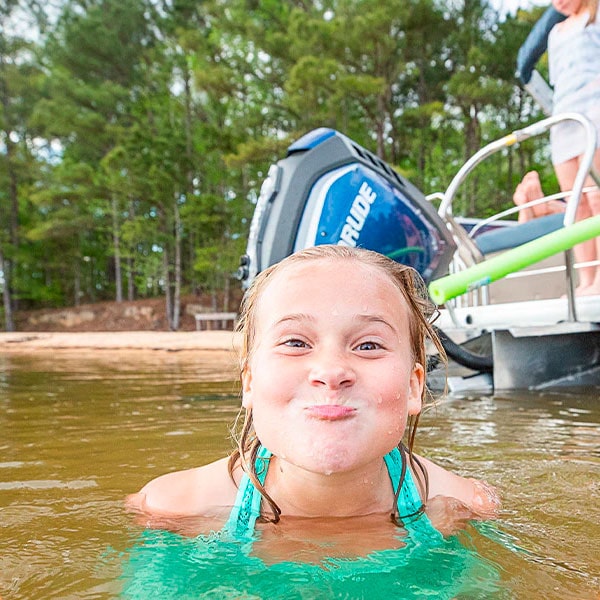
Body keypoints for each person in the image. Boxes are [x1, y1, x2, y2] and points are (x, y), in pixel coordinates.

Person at [126, 245, 499, 558]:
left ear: (415, 386)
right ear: (250, 381)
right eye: (295, 343)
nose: (331, 371)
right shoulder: (172, 510)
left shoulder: (465, 508)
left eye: (368, 345)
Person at [548, 0, 600, 294]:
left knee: (596, 196)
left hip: (594, 111)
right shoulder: (555, 32)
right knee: (576, 202)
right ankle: (587, 279)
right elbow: (559, 80)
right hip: (563, 117)